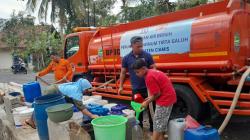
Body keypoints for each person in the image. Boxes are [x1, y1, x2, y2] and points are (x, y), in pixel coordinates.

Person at [25, 78, 98, 129]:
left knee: (66, 105)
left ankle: (32, 120)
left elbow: (73, 101)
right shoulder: (76, 92)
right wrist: (92, 115)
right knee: (42, 106)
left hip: (54, 88)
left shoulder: (76, 85)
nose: (87, 91)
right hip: (53, 91)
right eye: (86, 89)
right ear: (83, 87)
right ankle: (31, 120)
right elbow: (81, 107)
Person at [132, 58, 177, 140]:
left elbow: (157, 94)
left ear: (143, 68)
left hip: (165, 99)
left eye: (137, 72)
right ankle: (161, 137)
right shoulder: (151, 72)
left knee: (157, 122)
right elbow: (157, 91)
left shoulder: (149, 77)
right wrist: (149, 98)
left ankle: (155, 138)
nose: (136, 74)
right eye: (135, 72)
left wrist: (146, 102)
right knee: (161, 120)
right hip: (168, 97)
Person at [118, 36, 156, 131]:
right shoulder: (126, 58)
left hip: (148, 88)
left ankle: (153, 128)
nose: (140, 48)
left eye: (141, 46)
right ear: (132, 46)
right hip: (136, 89)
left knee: (152, 109)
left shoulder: (147, 55)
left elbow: (154, 69)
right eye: (138, 46)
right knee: (138, 109)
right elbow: (123, 72)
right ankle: (139, 128)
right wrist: (120, 86)